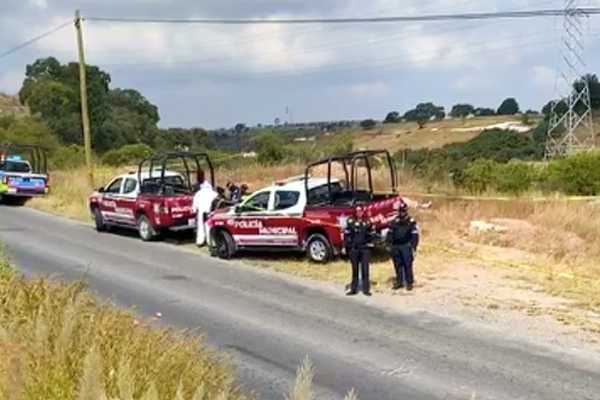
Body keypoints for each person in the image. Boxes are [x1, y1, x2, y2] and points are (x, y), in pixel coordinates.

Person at [387, 203, 420, 291]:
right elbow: (390, 233)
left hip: (406, 245)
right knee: (397, 264)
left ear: (406, 211)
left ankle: (409, 283)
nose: (402, 213)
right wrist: (389, 244)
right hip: (396, 246)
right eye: (400, 211)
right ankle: (399, 281)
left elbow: (415, 235)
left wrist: (413, 246)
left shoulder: (410, 221)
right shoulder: (395, 221)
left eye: (403, 211)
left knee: (407, 264)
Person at [344, 211, 374, 296]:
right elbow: (346, 235)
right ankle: (354, 289)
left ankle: (366, 289)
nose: (359, 213)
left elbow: (371, 234)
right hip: (354, 249)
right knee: (355, 270)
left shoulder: (367, 222)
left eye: (360, 211)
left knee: (365, 270)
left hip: (364, 249)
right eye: (357, 211)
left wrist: (371, 244)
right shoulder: (350, 222)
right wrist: (345, 246)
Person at [192, 180, 217, 246]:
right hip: (210, 212)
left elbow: (195, 204)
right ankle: (210, 242)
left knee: (201, 227)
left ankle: (200, 241)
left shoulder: (198, 194)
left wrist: (194, 210)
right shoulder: (214, 194)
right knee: (209, 227)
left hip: (201, 212)